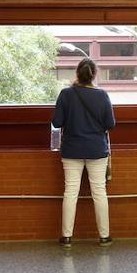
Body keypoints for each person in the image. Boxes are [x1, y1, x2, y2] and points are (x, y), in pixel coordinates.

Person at [51, 58, 115, 247]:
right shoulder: (102, 95)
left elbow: (56, 122)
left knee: (70, 192)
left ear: (77, 74)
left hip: (72, 150)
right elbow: (110, 124)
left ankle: (67, 237)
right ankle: (104, 236)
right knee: (99, 192)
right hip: (96, 149)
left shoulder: (66, 94)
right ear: (94, 74)